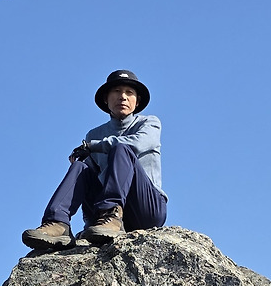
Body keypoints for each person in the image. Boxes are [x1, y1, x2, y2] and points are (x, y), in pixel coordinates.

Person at [22, 68, 167, 250]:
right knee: (80, 167)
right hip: (102, 219)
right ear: (106, 99)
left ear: (137, 101)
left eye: (129, 92)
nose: (123, 97)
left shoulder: (148, 123)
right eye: (116, 91)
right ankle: (58, 222)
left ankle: (112, 215)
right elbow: (89, 179)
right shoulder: (94, 134)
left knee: (121, 149)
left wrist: (94, 146)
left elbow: (138, 143)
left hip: (145, 209)